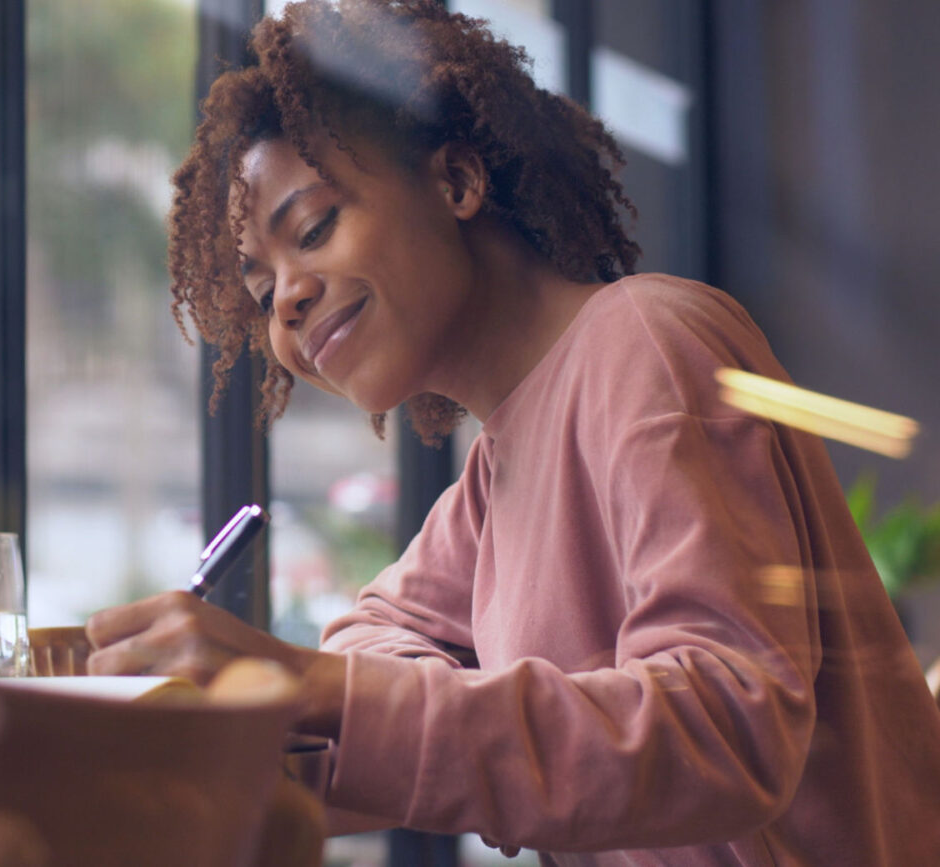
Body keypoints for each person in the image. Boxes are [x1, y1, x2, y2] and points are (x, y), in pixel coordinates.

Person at [84, 0, 940, 862]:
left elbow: (726, 731)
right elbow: (371, 638)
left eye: (313, 230)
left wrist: (317, 691)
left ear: (457, 182)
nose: (289, 303)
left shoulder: (646, 343)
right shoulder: (498, 475)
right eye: (264, 293)